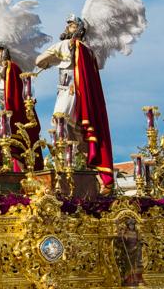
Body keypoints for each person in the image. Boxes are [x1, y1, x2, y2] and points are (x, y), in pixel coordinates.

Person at [35, 15, 114, 194]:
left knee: (59, 124)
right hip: (80, 96)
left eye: (71, 25)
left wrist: (48, 62)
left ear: (77, 29)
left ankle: (64, 164)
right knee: (77, 132)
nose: (68, 27)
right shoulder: (88, 50)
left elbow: (38, 60)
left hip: (68, 92)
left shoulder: (67, 45)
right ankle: (84, 167)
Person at [0, 40, 44, 171]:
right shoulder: (1, 71)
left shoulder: (7, 67)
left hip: (16, 117)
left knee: (19, 149)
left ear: (5, 51)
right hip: (6, 117)